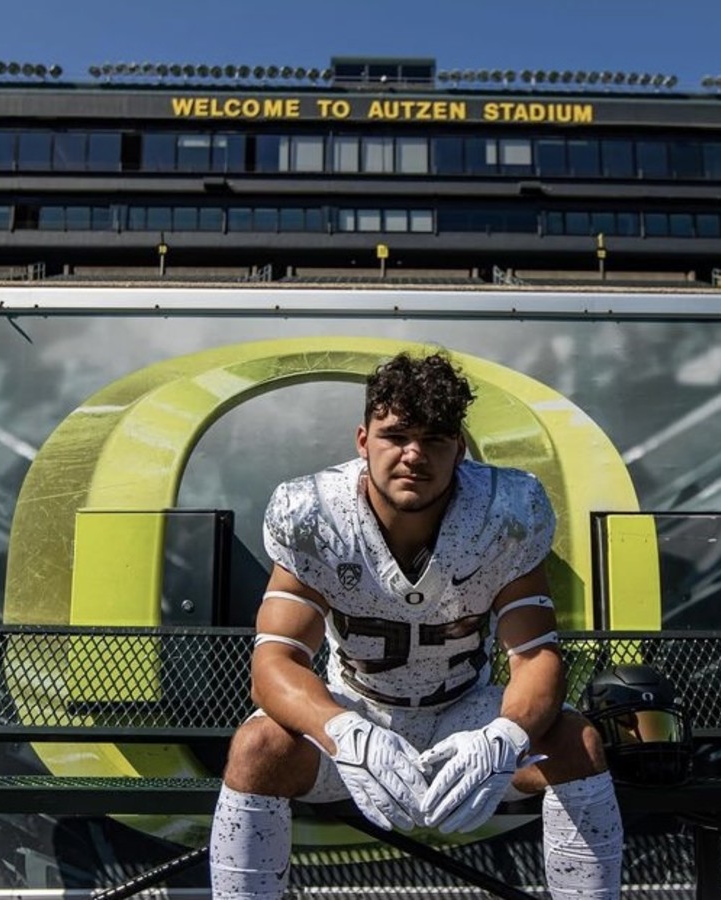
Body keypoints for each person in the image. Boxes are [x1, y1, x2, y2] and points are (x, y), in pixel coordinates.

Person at [209, 350, 623, 898]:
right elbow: (275, 662)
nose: (413, 455)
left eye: (435, 438)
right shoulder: (313, 514)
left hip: (464, 719)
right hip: (359, 716)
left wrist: (504, 737)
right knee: (258, 746)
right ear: (363, 440)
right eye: (396, 434)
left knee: (576, 741)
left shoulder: (506, 512)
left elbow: (535, 656)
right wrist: (344, 732)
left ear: (460, 447)